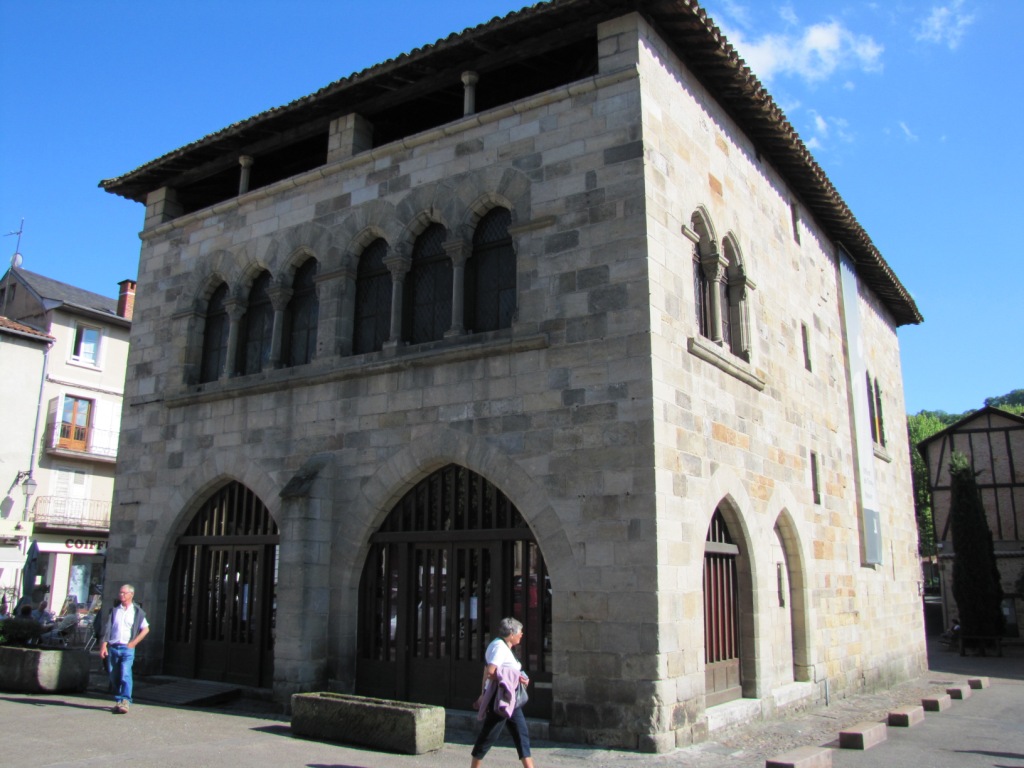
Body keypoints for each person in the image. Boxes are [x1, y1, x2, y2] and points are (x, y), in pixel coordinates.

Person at [470, 617, 534, 768]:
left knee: (521, 734)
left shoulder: (504, 647)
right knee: (488, 735)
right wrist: (513, 677)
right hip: (500, 699)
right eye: (520, 632)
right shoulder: (499, 647)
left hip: (510, 699)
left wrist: (519, 677)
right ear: (511, 633)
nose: (522, 634)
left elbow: (490, 671)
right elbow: (491, 671)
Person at [98, 584, 150, 714]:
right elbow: (107, 629)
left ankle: (126, 700)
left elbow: (146, 629)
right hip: (114, 647)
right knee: (114, 674)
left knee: (125, 672)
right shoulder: (115, 611)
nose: (121, 595)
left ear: (131, 594)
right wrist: (104, 646)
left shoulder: (137, 612)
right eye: (120, 593)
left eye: (124, 593)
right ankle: (118, 699)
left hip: (127, 648)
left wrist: (134, 643)